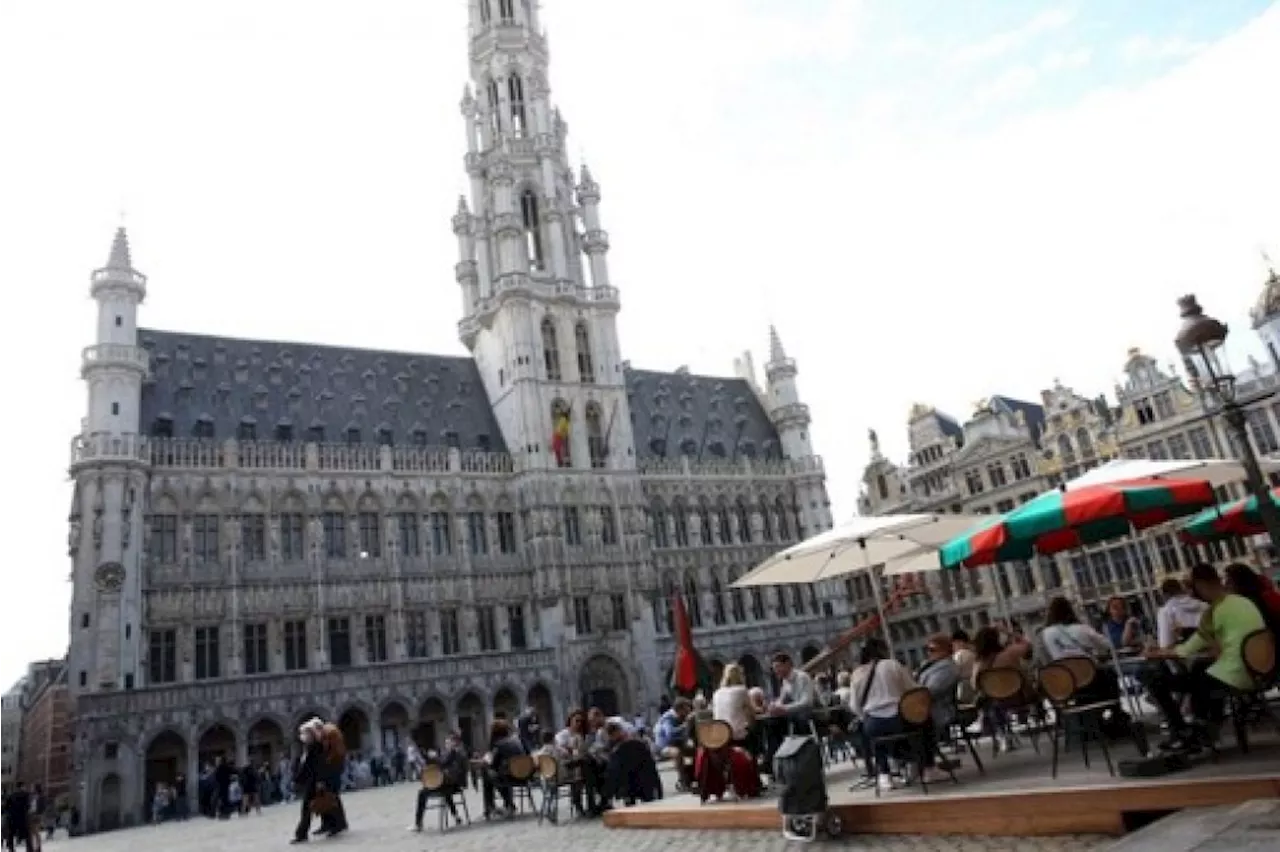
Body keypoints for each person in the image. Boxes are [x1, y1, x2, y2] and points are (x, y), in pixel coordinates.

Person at [1143, 562, 1268, 752]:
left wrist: (1157, 653)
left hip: (1232, 676)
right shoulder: (1244, 602)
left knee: (1156, 680)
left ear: (1200, 585)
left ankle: (1183, 732)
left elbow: (1186, 650)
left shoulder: (1215, 610)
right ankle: (1202, 728)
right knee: (1199, 673)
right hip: (1258, 670)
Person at [850, 638, 945, 792]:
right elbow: (912, 690)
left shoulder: (857, 673)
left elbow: (854, 705)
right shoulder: (892, 665)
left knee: (877, 738)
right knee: (926, 722)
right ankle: (928, 767)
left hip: (874, 723)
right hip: (899, 718)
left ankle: (884, 775)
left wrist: (867, 715)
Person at [410, 732, 467, 831]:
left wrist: (434, 757)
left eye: (448, 743)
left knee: (422, 793)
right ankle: (456, 816)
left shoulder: (453, 753)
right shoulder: (459, 752)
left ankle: (418, 823)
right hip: (454, 784)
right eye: (446, 743)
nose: (446, 745)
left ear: (454, 743)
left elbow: (443, 764)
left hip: (452, 784)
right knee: (445, 791)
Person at [481, 719, 526, 819]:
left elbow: (493, 764)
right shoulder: (516, 740)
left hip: (511, 777)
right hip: (524, 775)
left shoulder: (499, 744)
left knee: (487, 774)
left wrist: (486, 760)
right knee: (495, 775)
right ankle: (505, 804)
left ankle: (491, 807)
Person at [1156, 577, 1209, 648]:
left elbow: (1165, 644)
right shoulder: (1205, 606)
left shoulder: (1165, 612)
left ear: (1165, 595)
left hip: (1187, 656)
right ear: (1181, 590)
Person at [711, 663, 756, 745]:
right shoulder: (742, 690)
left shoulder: (717, 693)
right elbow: (751, 714)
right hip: (736, 736)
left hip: (720, 735)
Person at [6, 781, 30, 852]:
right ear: (22, 787)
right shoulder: (25, 795)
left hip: (12, 817)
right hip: (21, 817)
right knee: (26, 834)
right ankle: (29, 849)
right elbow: (27, 806)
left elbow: (6, 807)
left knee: (11, 833)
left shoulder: (11, 795)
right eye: (24, 786)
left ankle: (11, 848)